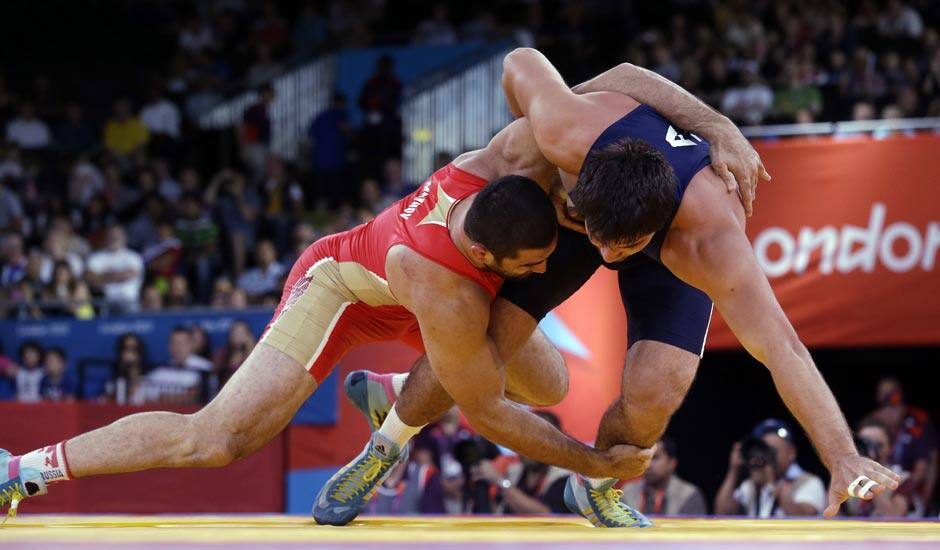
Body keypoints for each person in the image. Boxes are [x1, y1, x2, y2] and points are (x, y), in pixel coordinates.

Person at [328, 48, 899, 528]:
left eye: (620, 249)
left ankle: (595, 487)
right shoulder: (567, 131)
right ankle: (387, 447)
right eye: (599, 240)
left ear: (654, 233)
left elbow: (783, 348)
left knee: (657, 392)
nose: (607, 259)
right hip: (577, 207)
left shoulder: (709, 238)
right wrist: (592, 117)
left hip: (662, 232)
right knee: (485, 350)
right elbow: (536, 64)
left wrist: (841, 454)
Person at [0, 117, 608, 521]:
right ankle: (22, 469)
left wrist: (703, 131)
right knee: (217, 439)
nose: (547, 267)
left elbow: (541, 72)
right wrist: (594, 464)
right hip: (343, 289)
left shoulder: (514, 157)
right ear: (485, 253)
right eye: (534, 264)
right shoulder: (447, 284)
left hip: (421, 291)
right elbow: (486, 410)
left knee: (547, 383)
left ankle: (394, 392)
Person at [715, 419, 826, 517]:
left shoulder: (808, 482)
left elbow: (807, 518)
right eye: (765, 450)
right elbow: (722, 514)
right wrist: (734, 470)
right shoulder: (753, 484)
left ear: (792, 452)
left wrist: (772, 484)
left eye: (774, 451)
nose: (769, 457)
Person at [470, 411, 571, 515]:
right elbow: (498, 511)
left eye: (538, 440)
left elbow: (547, 514)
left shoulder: (564, 477)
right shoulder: (514, 471)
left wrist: (501, 482)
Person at [865, 377, 938, 516]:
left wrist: (919, 500)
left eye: (891, 394)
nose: (890, 411)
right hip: (874, 483)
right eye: (882, 394)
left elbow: (927, 467)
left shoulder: (919, 421)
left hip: (906, 491)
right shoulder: (873, 421)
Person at [843, 418, 915, 517]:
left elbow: (894, 516)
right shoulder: (847, 475)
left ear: (891, 447)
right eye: (865, 444)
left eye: (878, 445)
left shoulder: (902, 479)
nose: (871, 450)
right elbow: (831, 514)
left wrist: (872, 474)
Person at [620, 435, 706, 516]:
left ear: (672, 463)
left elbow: (693, 531)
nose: (648, 465)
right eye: (644, 458)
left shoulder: (688, 495)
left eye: (655, 458)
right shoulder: (627, 492)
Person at [84, 226, 144, 314]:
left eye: (117, 236)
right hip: (103, 301)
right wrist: (118, 276)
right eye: (111, 236)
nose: (114, 238)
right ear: (106, 237)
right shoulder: (96, 257)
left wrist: (102, 277)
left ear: (125, 238)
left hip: (128, 301)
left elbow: (130, 275)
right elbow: (89, 278)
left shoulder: (133, 257)